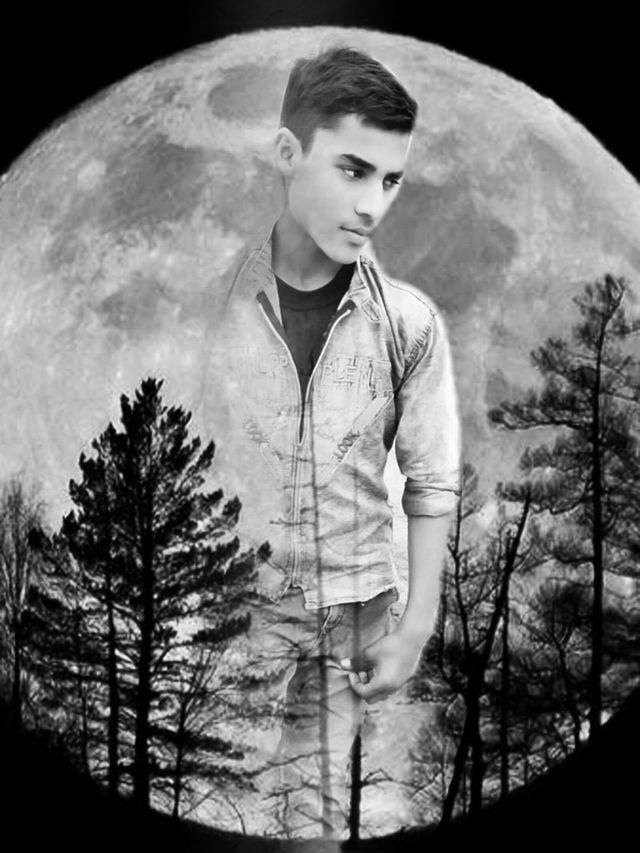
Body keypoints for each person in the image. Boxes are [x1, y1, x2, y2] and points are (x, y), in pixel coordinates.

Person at [208, 44, 461, 839]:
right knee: (212, 797)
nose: (373, 204)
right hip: (240, 608)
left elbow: (432, 480)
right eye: (353, 170)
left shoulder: (409, 324)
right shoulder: (212, 311)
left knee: (313, 820)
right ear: (289, 153)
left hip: (357, 608)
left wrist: (414, 627)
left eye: (390, 180)